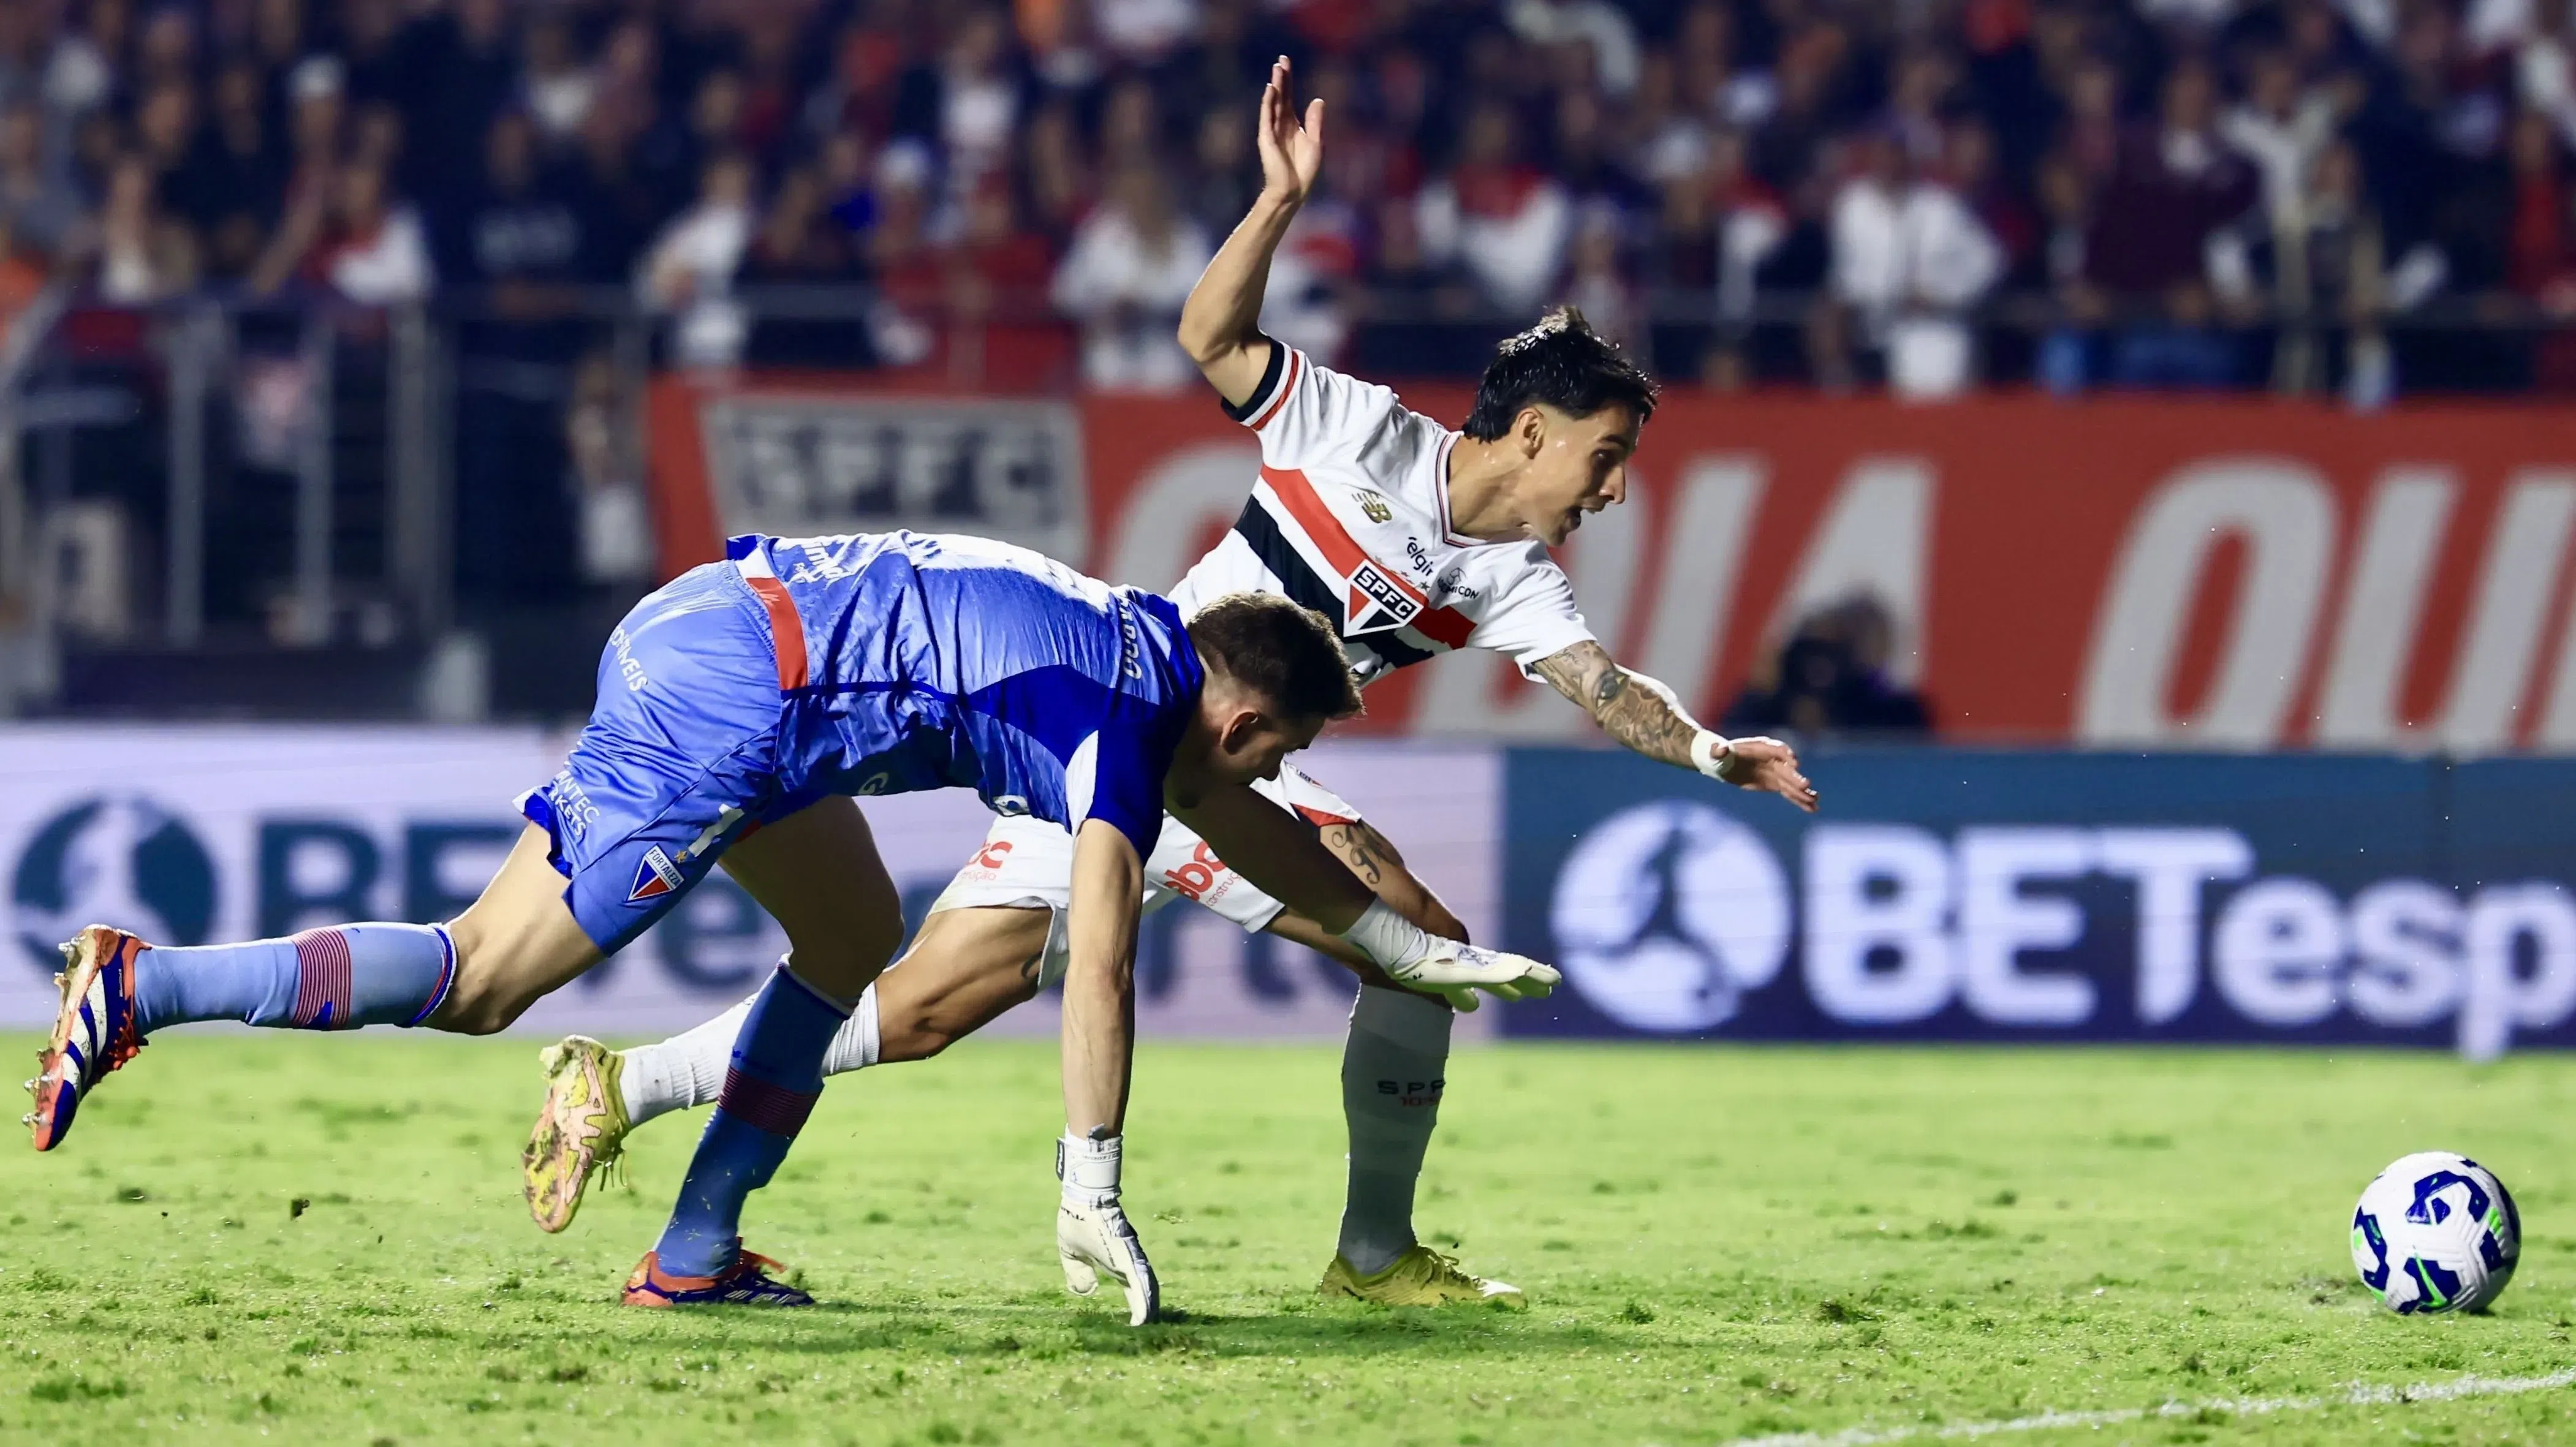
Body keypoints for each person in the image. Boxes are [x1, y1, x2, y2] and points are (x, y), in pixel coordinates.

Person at [522, 56, 1819, 1312]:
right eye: (1603, 457)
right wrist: (1277, 205)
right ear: (1530, 430)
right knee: (1403, 928)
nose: (1612, 491)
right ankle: (1372, 1249)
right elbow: (1209, 334)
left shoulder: (1512, 580)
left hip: (1197, 754)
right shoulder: (1352, 428)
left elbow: (1599, 685)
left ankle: (621, 1083)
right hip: (1153, 724)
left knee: (924, 1008)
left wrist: (1709, 752)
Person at [28, 529, 1553, 1323]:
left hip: (741, 631)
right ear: (1233, 712)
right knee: (489, 974)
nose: (1275, 772)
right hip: (732, 699)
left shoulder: (1143, 659)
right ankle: (144, 983)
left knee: (844, 932)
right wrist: (1090, 1182)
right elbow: (1097, 961)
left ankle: (694, 1252)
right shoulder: (1124, 715)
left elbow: (1239, 825)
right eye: (1279, 745)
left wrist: (1410, 948)